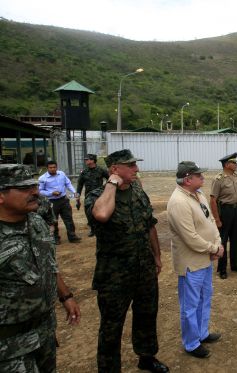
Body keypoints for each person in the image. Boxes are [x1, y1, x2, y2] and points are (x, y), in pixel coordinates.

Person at [85, 149, 168, 373]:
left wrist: (157, 256)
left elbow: (149, 224)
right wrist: (111, 184)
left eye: (135, 165)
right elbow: (102, 215)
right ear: (114, 169)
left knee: (147, 315)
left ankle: (147, 357)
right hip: (115, 275)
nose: (136, 169)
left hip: (144, 268)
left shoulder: (138, 192)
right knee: (112, 326)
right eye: (130, 166)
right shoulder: (96, 196)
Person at [0, 164, 80, 372]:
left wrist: (66, 296)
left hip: (43, 332)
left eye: (33, 186)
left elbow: (48, 264)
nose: (35, 192)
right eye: (24, 188)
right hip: (9, 347)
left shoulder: (35, 222)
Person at [167, 161, 224, 359]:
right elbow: (190, 237)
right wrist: (214, 248)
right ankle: (191, 343)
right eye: (199, 175)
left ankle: (202, 333)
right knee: (190, 306)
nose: (203, 178)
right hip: (191, 263)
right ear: (187, 179)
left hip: (205, 259)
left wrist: (217, 242)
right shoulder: (178, 202)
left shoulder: (198, 195)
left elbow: (210, 222)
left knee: (204, 299)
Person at [210, 152, 237, 280]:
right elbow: (213, 200)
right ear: (226, 164)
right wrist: (217, 219)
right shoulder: (218, 179)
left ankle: (236, 265)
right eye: (234, 162)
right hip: (225, 211)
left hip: (236, 210)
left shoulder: (236, 177)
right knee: (223, 240)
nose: (236, 164)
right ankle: (222, 268)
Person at [38, 160, 81, 244]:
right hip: (51, 202)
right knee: (53, 220)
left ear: (56, 167)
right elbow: (40, 191)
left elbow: (68, 183)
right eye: (50, 168)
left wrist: (74, 192)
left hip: (63, 200)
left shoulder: (61, 174)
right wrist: (51, 193)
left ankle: (72, 236)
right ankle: (55, 238)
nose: (52, 169)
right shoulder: (42, 178)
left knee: (68, 218)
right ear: (47, 168)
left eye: (54, 167)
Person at [76, 154, 109, 237]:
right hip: (88, 196)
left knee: (101, 211)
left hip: (99, 195)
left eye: (87, 159)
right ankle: (92, 229)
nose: (86, 161)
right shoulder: (84, 172)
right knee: (89, 212)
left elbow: (110, 178)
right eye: (85, 159)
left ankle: (102, 228)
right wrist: (78, 194)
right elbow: (80, 184)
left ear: (93, 160)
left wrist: (106, 188)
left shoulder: (101, 170)